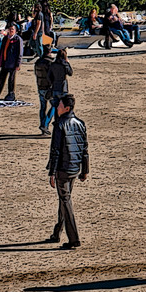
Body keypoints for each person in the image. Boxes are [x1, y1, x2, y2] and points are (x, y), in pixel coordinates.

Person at [45, 93, 88, 248]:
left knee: (65, 201)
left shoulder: (60, 125)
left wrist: (52, 172)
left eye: (60, 105)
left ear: (67, 108)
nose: (57, 108)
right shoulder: (80, 123)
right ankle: (57, 233)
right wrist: (85, 170)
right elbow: (84, 150)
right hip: (74, 168)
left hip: (63, 169)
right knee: (64, 200)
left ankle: (74, 238)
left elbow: (55, 150)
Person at [0, 25, 23, 102]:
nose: (11, 31)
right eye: (10, 29)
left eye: (12, 29)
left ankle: (11, 94)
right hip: (5, 62)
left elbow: (20, 53)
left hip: (12, 63)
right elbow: (2, 50)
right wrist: (0, 62)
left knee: (11, 80)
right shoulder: (5, 38)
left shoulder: (18, 39)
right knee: (1, 79)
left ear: (15, 31)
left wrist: (18, 64)